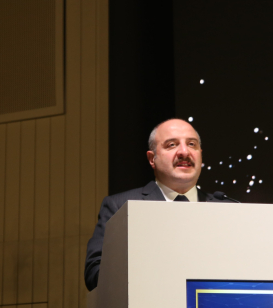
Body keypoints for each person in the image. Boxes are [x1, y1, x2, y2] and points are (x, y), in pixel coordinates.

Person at [84, 118, 231, 290]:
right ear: (152, 158)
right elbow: (94, 274)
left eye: (192, 144)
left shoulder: (228, 209)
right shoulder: (120, 206)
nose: (184, 152)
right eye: (172, 145)